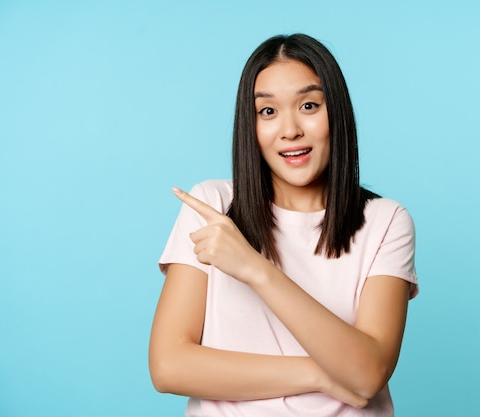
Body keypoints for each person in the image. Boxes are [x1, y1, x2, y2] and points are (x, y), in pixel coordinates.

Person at [149, 33, 418, 417]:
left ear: (336, 114)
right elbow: (168, 366)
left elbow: (367, 372)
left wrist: (254, 269)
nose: (290, 129)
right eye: (268, 112)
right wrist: (321, 374)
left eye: (309, 105)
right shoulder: (213, 206)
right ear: (251, 125)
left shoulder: (385, 221)